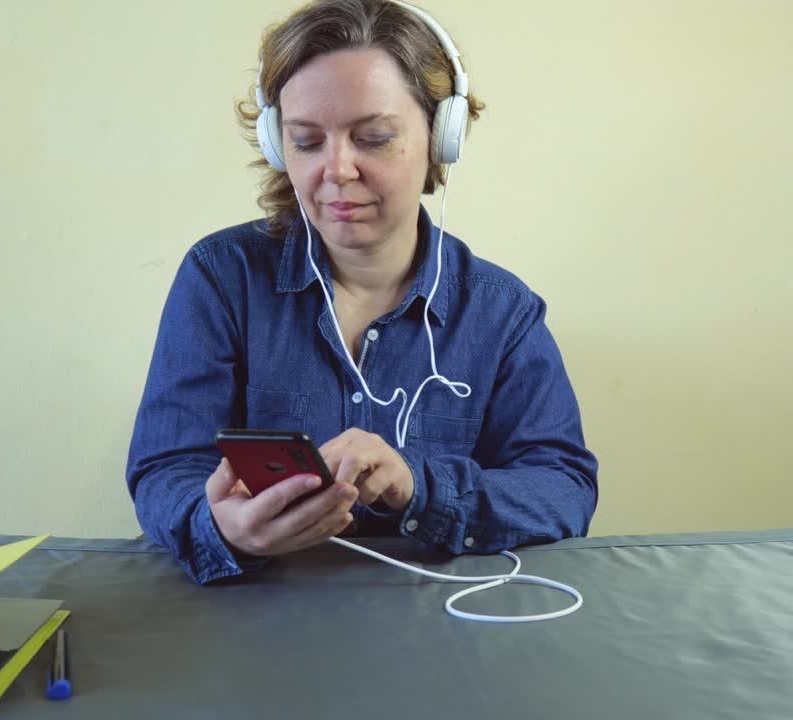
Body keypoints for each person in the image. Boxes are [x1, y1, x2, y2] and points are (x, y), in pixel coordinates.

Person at [126, 0, 598, 584]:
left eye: (373, 138)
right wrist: (222, 528)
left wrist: (419, 487)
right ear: (279, 147)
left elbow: (564, 489)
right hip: (257, 623)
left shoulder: (502, 312)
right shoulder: (222, 278)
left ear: (441, 139)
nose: (338, 170)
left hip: (444, 628)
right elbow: (165, 468)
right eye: (306, 141)